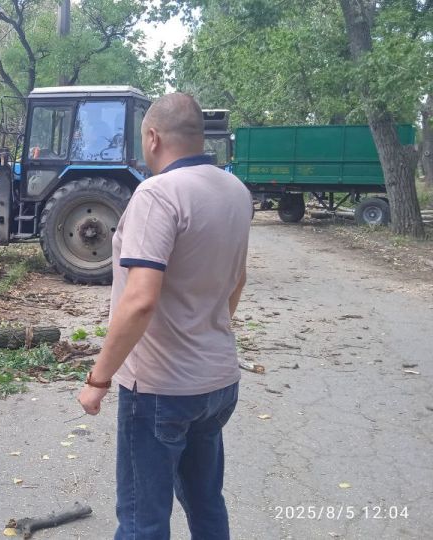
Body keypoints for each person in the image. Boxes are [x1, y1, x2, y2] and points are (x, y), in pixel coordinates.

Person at [76, 93, 252, 539]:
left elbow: (140, 301)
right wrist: (203, 331)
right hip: (218, 383)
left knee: (142, 520)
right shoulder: (235, 190)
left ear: (152, 137)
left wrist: (98, 380)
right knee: (206, 502)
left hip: (160, 391)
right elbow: (237, 282)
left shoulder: (158, 194)